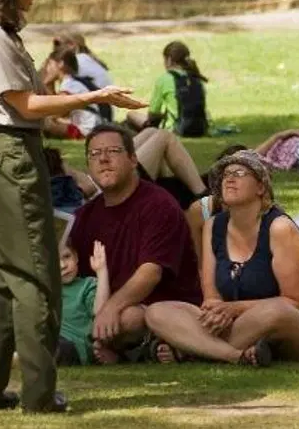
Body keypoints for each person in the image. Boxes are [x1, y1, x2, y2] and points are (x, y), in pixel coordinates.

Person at [0, 0, 143, 413]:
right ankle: (39, 393)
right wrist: (93, 98)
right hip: (7, 152)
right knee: (37, 275)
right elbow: (24, 104)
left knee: (0, 275)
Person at [147, 152, 299, 365]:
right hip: (237, 324)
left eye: (240, 173)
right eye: (226, 175)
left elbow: (295, 302)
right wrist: (216, 310)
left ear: (260, 187)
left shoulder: (280, 228)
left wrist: (233, 309)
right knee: (157, 311)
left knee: (275, 312)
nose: (230, 179)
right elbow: (211, 297)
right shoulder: (213, 226)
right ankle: (235, 355)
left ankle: (190, 349)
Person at [66, 124, 203, 363]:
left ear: (133, 159)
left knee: (127, 319)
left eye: (113, 151)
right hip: (101, 304)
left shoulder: (159, 205)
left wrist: (111, 308)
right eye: (95, 154)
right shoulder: (83, 217)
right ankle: (113, 349)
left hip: (158, 307)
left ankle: (161, 344)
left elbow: (150, 273)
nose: (104, 159)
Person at [141, 41, 209, 138]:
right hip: (200, 129)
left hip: (174, 129)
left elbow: (153, 114)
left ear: (169, 59)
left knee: (132, 115)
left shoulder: (164, 79)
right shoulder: (197, 79)